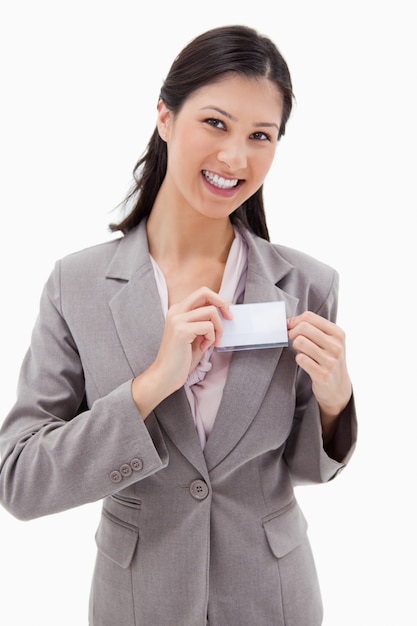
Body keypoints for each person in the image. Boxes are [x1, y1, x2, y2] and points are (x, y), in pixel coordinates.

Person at [0, 24, 357, 626]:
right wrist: (151, 385)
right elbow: (21, 480)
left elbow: (298, 467)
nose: (235, 157)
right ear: (165, 116)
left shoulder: (308, 285)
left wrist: (334, 402)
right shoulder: (77, 285)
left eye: (260, 135)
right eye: (215, 123)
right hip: (140, 603)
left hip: (273, 600)